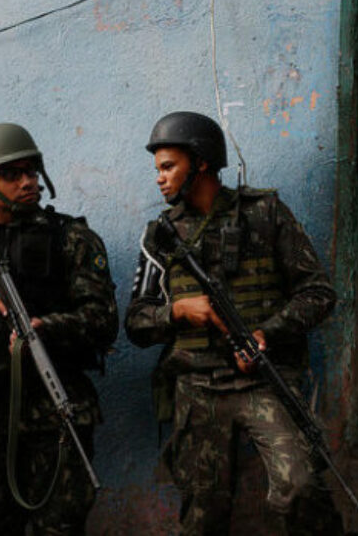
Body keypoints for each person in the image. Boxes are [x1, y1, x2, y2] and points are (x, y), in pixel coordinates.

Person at [124, 111, 342, 535]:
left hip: (264, 378)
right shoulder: (161, 235)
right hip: (199, 384)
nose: (160, 179)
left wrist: (267, 334)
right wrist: (178, 311)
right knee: (204, 513)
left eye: (168, 167)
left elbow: (318, 293)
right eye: (158, 170)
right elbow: (136, 321)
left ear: (201, 162)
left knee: (299, 487)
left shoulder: (265, 213)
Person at [0, 122, 118, 535]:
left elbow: (104, 321)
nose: (28, 182)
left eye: (32, 172)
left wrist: (45, 327)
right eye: (14, 175)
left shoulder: (73, 239)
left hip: (59, 411)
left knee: (60, 528)